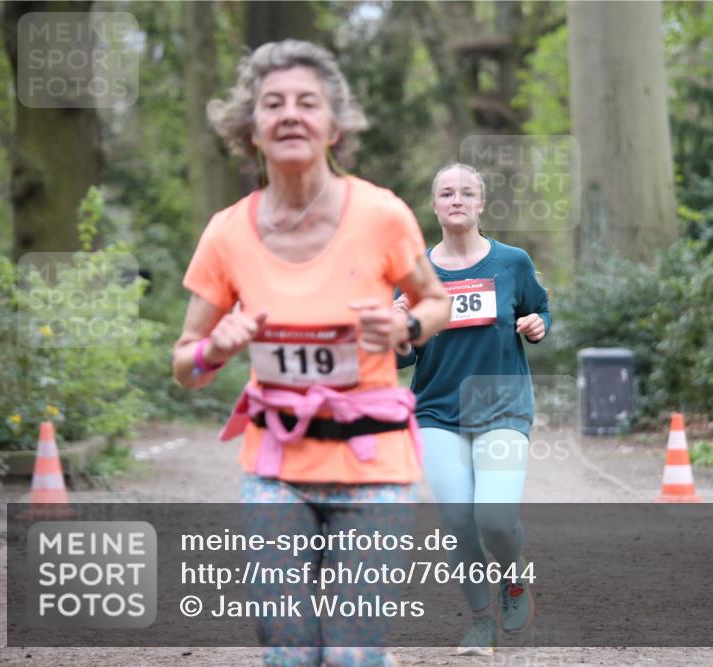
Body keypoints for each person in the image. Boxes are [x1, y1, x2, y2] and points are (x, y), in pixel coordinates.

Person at [172, 40, 451, 667]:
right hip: (275, 469)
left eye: (307, 102)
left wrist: (405, 329)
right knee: (290, 651)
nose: (290, 114)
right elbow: (185, 365)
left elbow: (437, 304)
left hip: (373, 466)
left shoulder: (382, 214)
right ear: (251, 128)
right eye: (273, 104)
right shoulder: (226, 233)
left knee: (352, 653)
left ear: (334, 125)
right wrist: (214, 348)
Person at [395, 163, 551, 656]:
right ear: (435, 205)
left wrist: (536, 324)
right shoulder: (415, 273)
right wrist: (399, 327)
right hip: (437, 410)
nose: (456, 199)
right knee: (458, 520)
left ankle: (512, 572)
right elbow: (401, 356)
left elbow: (540, 309)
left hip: (502, 405)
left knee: (495, 519)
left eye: (466, 192)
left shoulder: (512, 262)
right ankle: (480, 621)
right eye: (446, 192)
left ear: (481, 204)